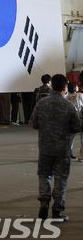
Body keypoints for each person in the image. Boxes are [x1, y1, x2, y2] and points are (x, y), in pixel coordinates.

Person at [30, 74, 81, 222]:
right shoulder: (69, 105)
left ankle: (44, 201)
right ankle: (57, 210)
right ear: (65, 87)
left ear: (52, 85)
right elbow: (76, 127)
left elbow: (34, 124)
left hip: (45, 147)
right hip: (63, 149)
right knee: (61, 179)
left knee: (44, 175)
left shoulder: (41, 103)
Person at [65, 81, 83, 159]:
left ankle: (68, 153)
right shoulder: (80, 95)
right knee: (82, 138)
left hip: (70, 120)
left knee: (70, 138)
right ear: (75, 88)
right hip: (80, 118)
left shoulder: (66, 97)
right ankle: (81, 155)